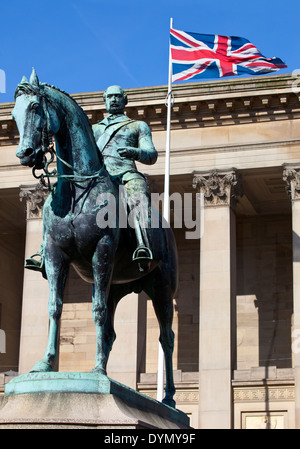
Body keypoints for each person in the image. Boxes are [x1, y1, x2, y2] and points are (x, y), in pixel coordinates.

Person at [25, 85, 157, 275]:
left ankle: (143, 244)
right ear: (104, 100)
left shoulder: (136, 126)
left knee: (139, 195)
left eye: (118, 96)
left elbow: (151, 155)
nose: (113, 100)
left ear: (125, 100)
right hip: (96, 177)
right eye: (109, 96)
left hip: (125, 173)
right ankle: (44, 249)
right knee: (54, 197)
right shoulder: (93, 129)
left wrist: (135, 152)